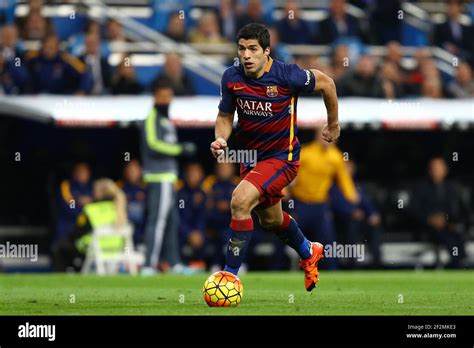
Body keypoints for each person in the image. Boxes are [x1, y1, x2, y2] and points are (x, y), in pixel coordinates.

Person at [210, 23, 340, 292]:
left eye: (253, 49)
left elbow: (327, 83)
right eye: (242, 49)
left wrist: (333, 124)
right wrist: (222, 138)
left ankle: (228, 277)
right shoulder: (231, 78)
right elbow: (225, 116)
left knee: (240, 200)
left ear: (266, 52)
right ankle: (308, 251)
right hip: (252, 160)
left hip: (283, 157)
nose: (246, 55)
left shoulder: (287, 75)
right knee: (270, 221)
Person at [139, 79, 197, 275]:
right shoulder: (151, 117)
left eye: (169, 96)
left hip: (169, 177)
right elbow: (152, 144)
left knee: (172, 221)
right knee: (158, 221)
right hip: (158, 176)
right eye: (162, 96)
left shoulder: (166, 118)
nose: (166, 100)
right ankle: (148, 265)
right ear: (155, 97)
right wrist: (179, 149)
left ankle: (174, 263)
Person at [290, 130, 359, 270]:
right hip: (300, 203)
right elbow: (291, 172)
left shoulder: (336, 156)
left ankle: (332, 272)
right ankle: (277, 269)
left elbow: (344, 179)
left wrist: (351, 195)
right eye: (324, 137)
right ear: (317, 137)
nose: (327, 140)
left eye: (331, 138)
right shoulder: (306, 152)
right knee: (287, 234)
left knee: (328, 240)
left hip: (320, 205)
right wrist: (284, 190)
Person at [52, 178, 128, 272]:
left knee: (60, 246)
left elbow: (78, 231)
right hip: (116, 247)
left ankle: (69, 275)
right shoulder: (119, 207)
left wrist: (68, 238)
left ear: (98, 192)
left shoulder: (91, 209)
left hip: (95, 247)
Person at [413, 157, 468, 268]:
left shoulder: (452, 188)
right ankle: (456, 262)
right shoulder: (421, 188)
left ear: (445, 170)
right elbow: (414, 210)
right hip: (428, 227)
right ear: (429, 170)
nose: (436, 171)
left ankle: (459, 260)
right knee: (445, 236)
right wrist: (430, 219)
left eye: (438, 169)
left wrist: (449, 221)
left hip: (448, 224)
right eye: (433, 168)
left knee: (458, 233)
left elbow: (459, 211)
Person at [177, 162, 208, 269]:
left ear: (201, 175)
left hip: (199, 232)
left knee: (214, 234)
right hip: (183, 232)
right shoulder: (179, 194)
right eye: (190, 172)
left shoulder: (204, 194)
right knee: (174, 235)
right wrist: (189, 233)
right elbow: (177, 219)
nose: (193, 176)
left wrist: (198, 231)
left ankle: (201, 263)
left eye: (196, 173)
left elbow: (204, 217)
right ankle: (179, 264)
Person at [55, 162, 93, 242]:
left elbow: (99, 204)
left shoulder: (93, 186)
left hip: (88, 223)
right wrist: (80, 204)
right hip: (69, 222)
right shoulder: (66, 185)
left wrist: (89, 202)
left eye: (84, 171)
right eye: (79, 171)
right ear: (74, 173)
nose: (82, 174)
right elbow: (70, 206)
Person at [117, 159, 147, 246]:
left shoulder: (147, 189)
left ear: (140, 170)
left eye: (134, 170)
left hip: (143, 233)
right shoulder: (120, 189)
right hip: (125, 232)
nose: (131, 172)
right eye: (129, 170)